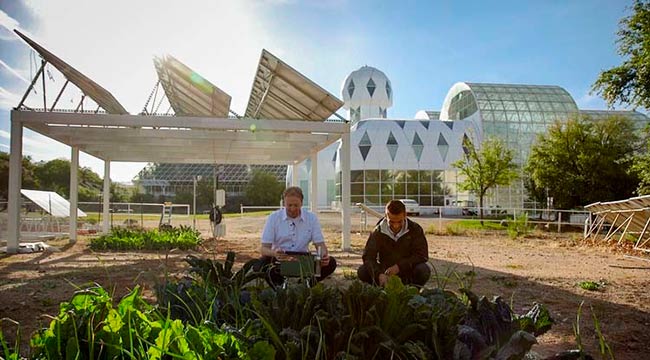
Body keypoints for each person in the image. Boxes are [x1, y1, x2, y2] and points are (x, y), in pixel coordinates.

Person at [254, 186, 336, 286]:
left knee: (331, 262)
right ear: (284, 203)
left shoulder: (311, 218)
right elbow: (263, 249)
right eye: (289, 205)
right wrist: (275, 253)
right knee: (260, 265)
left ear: (301, 203)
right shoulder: (274, 218)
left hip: (303, 259)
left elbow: (320, 244)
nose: (292, 209)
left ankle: (305, 285)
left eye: (296, 205)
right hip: (280, 259)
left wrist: (324, 256)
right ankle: (279, 286)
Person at [358, 199, 430, 287]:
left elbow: (422, 255)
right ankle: (381, 288)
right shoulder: (378, 231)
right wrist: (379, 274)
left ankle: (412, 292)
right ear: (385, 216)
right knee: (362, 271)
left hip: (407, 271)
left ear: (405, 215)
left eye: (400, 221)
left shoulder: (415, 229)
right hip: (385, 272)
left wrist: (399, 267)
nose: (396, 226)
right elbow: (368, 257)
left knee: (423, 270)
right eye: (391, 222)